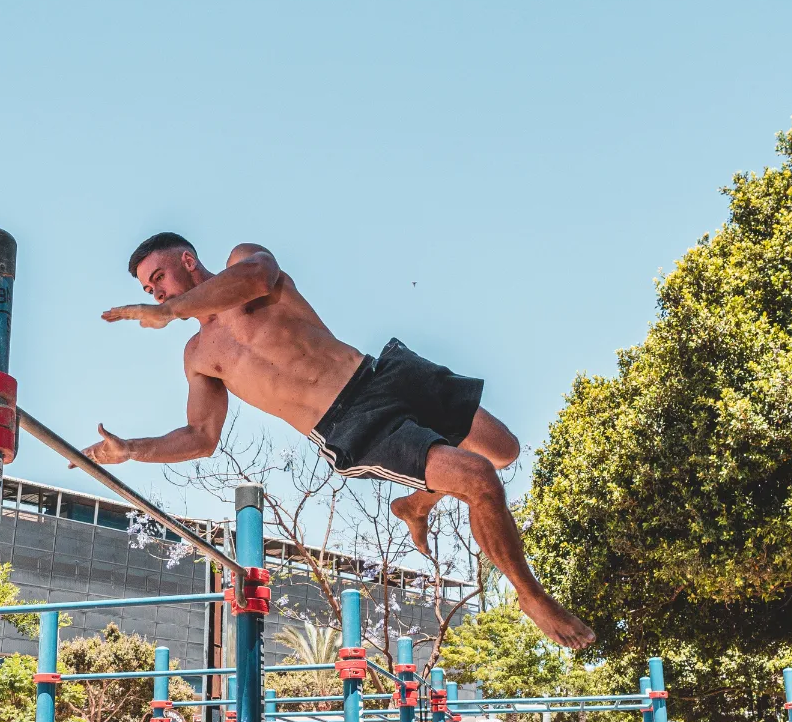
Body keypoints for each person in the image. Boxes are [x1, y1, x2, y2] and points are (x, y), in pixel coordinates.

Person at [85, 233, 595, 650]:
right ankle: (531, 597)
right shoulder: (198, 355)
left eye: (158, 279)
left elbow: (258, 277)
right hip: (351, 426)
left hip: (379, 375)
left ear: (188, 262)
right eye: (148, 290)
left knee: (502, 449)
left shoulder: (243, 264)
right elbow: (201, 436)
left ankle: (415, 504)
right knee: (477, 478)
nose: (154, 294)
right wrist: (133, 448)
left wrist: (172, 311)